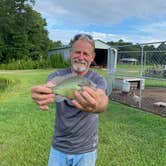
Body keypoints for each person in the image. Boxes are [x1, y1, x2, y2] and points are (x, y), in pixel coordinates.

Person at [31, 33, 109, 166]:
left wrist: (96, 105)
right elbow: (51, 86)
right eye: (77, 52)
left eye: (86, 53)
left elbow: (102, 100)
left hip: (86, 149)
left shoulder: (97, 80)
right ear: (70, 53)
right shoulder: (57, 75)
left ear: (92, 57)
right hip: (59, 146)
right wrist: (42, 93)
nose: (81, 57)